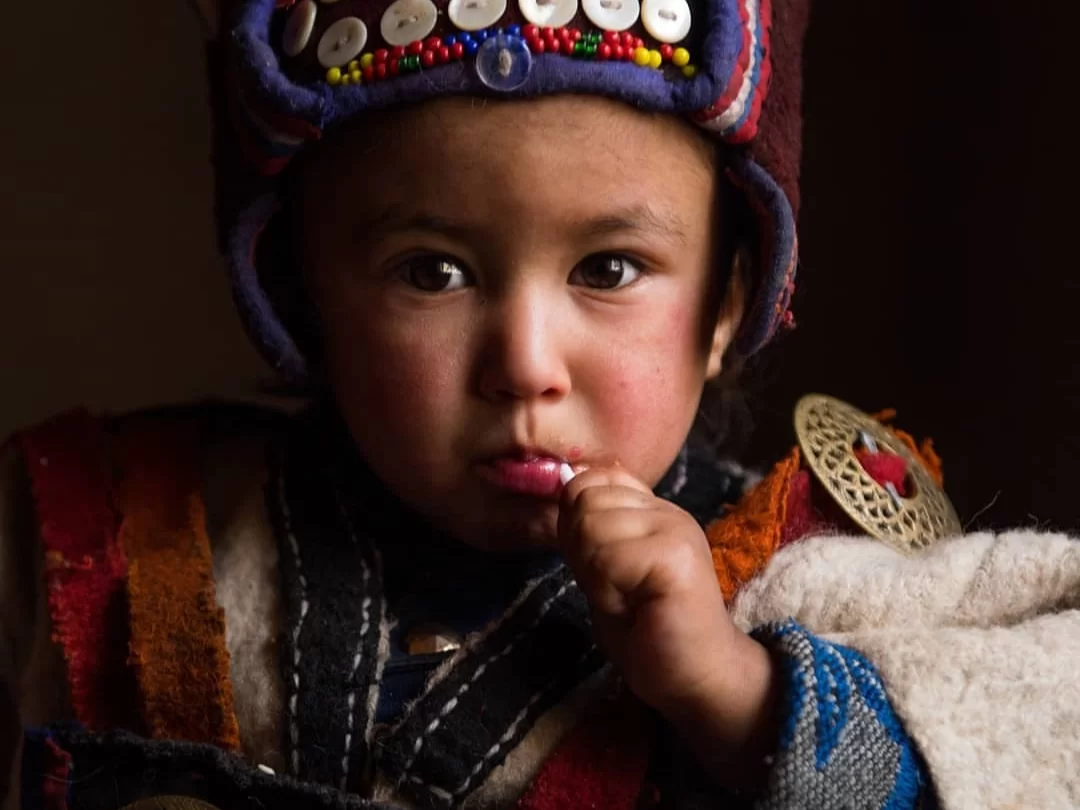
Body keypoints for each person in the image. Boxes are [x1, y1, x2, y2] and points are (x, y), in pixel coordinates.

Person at [2, 0, 1078, 808]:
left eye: (608, 270)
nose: (525, 364)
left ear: (724, 304)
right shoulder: (118, 536)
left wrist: (731, 691)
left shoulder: (828, 577)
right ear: (301, 291)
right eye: (432, 272)